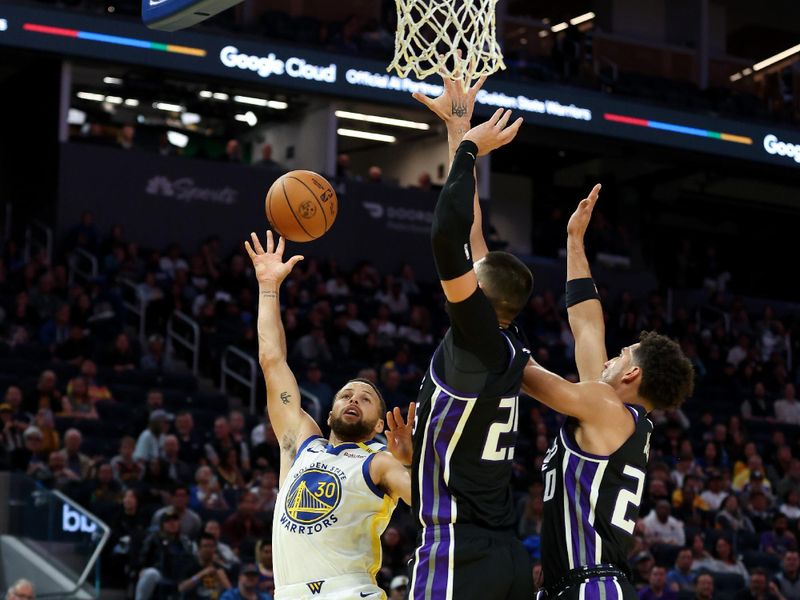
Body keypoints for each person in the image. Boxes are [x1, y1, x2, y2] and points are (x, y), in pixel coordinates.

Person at [524, 185, 694, 600]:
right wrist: (574, 242)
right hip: (584, 584)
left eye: (620, 354)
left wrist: (489, 318)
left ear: (632, 373)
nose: (609, 359)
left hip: (592, 586)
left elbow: (526, 376)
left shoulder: (605, 410)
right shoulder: (611, 414)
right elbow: (586, 326)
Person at [409, 75, 531, 599]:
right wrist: (458, 130)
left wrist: (469, 148)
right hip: (504, 550)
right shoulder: (505, 339)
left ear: (480, 297)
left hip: (460, 548)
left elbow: (446, 235)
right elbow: (474, 230)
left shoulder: (477, 336)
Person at [244, 230, 413, 599]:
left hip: (350, 592)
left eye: (366, 398)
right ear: (331, 409)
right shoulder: (300, 443)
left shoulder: (380, 463)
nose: (354, 399)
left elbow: (434, 505)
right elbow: (272, 362)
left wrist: (410, 463)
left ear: (380, 425)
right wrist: (269, 286)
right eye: (346, 394)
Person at [178, 532, 232, 599]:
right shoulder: (189, 566)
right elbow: (181, 588)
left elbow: (231, 594)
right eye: (205, 546)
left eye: (211, 546)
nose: (208, 549)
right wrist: (200, 575)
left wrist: (222, 580)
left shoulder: (220, 568)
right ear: (198, 548)